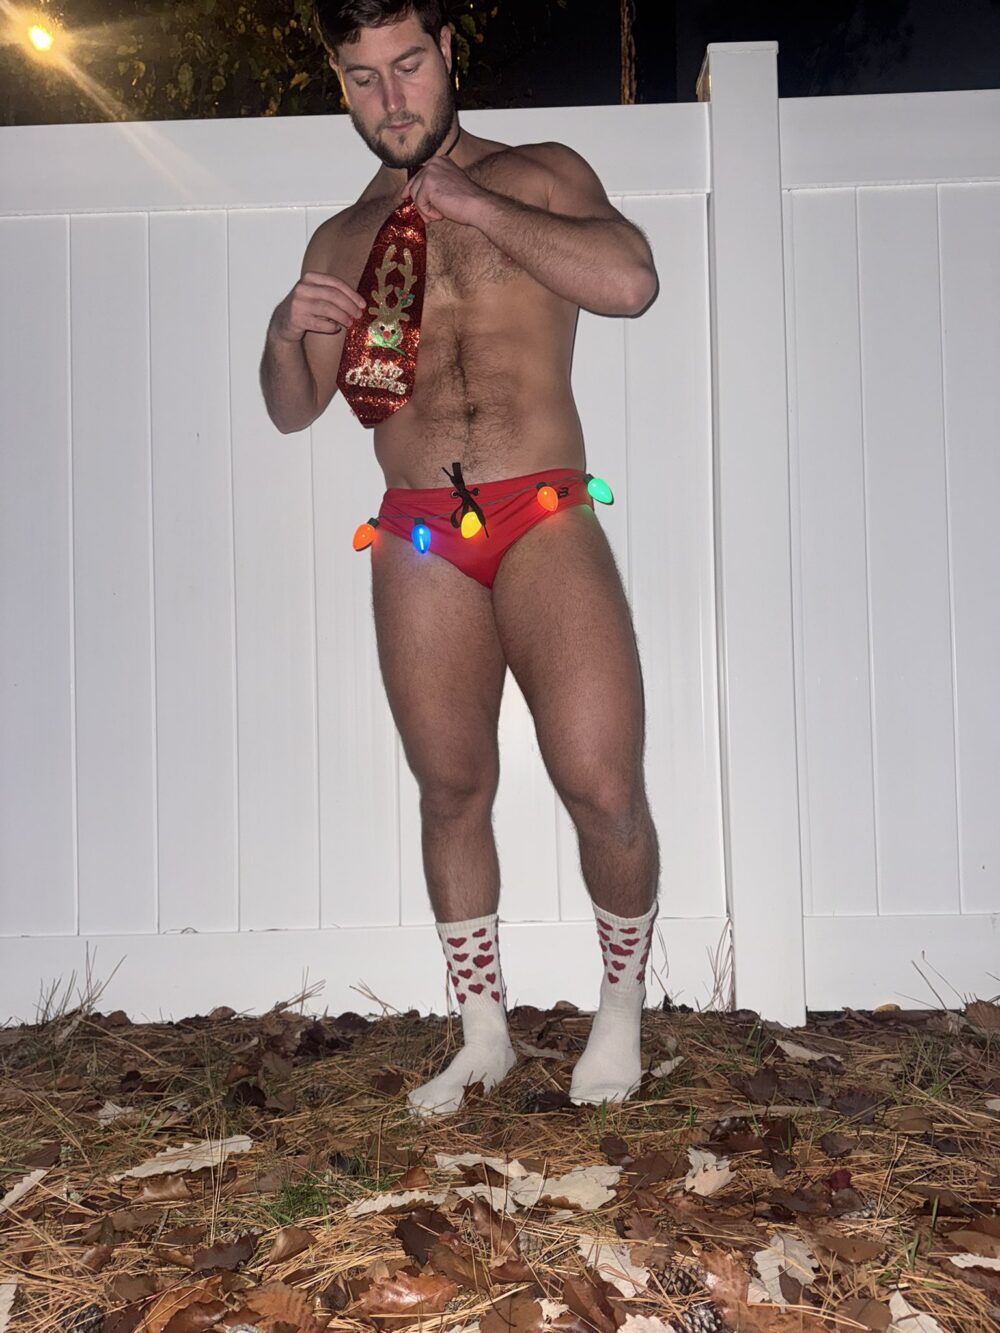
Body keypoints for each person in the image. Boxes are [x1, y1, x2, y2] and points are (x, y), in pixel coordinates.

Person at [260, 0, 661, 1115]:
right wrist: (285, 331)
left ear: (446, 54)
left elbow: (631, 284)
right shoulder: (342, 238)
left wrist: (473, 203)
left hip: (542, 511)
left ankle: (621, 1009)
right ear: (342, 86)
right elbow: (295, 408)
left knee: (603, 784)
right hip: (418, 531)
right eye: (362, 78)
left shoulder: (541, 173)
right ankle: (484, 1033)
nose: (390, 98)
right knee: (450, 789)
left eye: (407, 65)